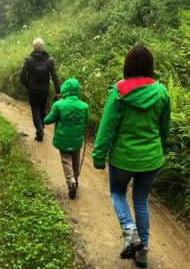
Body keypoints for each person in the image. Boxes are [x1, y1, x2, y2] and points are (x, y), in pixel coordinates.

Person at [92, 46, 170, 268]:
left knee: (117, 193)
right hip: (151, 159)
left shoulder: (118, 92)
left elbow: (107, 128)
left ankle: (130, 231)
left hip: (122, 159)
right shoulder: (161, 92)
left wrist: (98, 156)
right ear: (149, 66)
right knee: (141, 199)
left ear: (127, 65)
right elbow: (164, 128)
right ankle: (142, 250)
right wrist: (158, 149)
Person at [44, 78, 89, 199]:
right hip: (77, 140)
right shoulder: (84, 106)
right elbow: (86, 120)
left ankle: (71, 182)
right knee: (76, 159)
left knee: (66, 161)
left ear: (64, 89)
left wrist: (44, 120)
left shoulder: (58, 104)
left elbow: (50, 119)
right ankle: (76, 178)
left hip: (63, 139)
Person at [20, 38, 61, 142]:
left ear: (34, 47)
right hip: (44, 89)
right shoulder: (49, 59)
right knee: (42, 108)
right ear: (43, 46)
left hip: (33, 90)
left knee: (35, 109)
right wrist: (58, 91)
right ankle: (41, 127)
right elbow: (54, 76)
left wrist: (28, 85)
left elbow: (22, 75)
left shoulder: (28, 59)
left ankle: (40, 132)